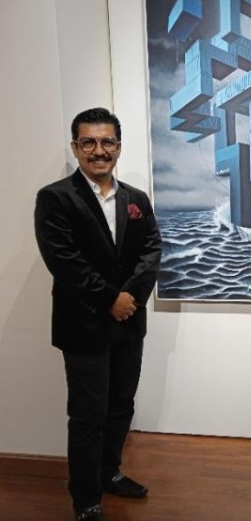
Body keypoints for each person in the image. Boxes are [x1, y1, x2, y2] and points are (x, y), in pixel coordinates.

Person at [34, 107, 162, 521]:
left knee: (121, 404)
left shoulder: (136, 199)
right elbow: (63, 260)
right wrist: (110, 298)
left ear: (119, 147)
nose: (99, 150)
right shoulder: (55, 198)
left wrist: (129, 299)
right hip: (84, 324)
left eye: (107, 141)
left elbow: (151, 251)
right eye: (88, 142)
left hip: (129, 322)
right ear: (75, 148)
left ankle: (110, 474)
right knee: (88, 415)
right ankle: (86, 498)